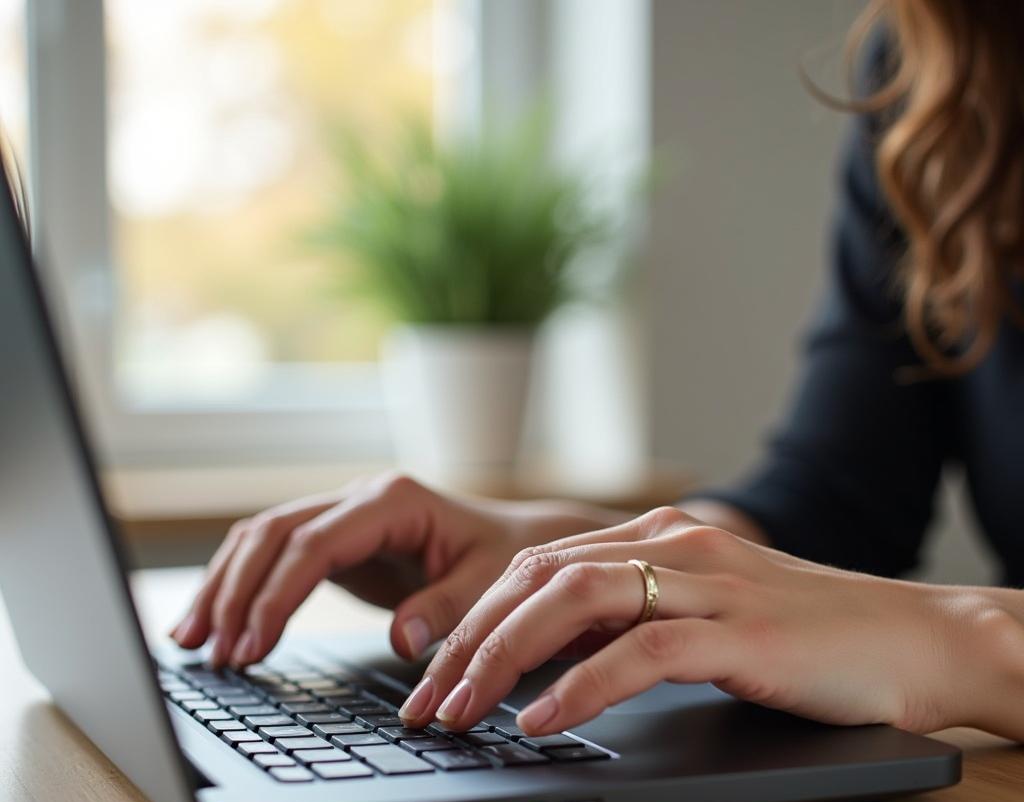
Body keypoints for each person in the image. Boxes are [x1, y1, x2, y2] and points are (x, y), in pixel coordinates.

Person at [172, 0, 1024, 743]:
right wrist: (583, 557)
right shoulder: (947, 67)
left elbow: (903, 615)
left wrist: (971, 639)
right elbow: (840, 494)